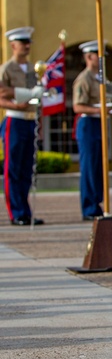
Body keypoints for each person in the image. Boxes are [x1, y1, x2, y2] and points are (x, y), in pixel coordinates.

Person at [0, 27, 45, 226]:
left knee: (27, 169)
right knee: (14, 169)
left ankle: (25, 211)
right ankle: (16, 212)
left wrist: (39, 121)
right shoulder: (7, 69)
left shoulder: (30, 70)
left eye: (28, 43)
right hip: (15, 119)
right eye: (23, 43)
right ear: (13, 45)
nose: (27, 47)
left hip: (30, 120)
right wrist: (15, 104)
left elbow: (34, 96)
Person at [72, 41, 106, 220]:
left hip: (98, 123)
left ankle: (96, 203)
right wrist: (99, 110)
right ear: (88, 57)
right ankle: (88, 207)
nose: (101, 59)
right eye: (97, 55)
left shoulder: (100, 77)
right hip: (88, 124)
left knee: (98, 167)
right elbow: (78, 106)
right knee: (89, 167)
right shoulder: (84, 78)